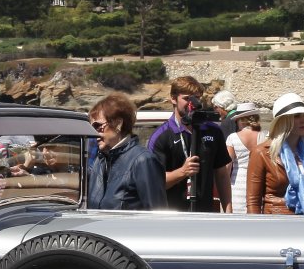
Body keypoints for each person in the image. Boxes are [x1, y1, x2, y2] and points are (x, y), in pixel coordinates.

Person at [147, 76, 231, 212]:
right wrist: (182, 172)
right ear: (173, 99)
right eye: (187, 98)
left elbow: (221, 175)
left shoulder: (213, 131)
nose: (192, 103)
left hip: (204, 214)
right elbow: (153, 182)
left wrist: (228, 210)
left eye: (196, 98)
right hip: (172, 215)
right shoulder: (161, 136)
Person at [246, 93, 304, 216]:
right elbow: (253, 201)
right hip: (276, 222)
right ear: (284, 121)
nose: (303, 120)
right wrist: (255, 226)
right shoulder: (261, 153)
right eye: (296, 116)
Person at [87, 94, 165, 210]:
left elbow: (157, 211)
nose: (94, 133)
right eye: (92, 128)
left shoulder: (143, 160)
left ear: (118, 124)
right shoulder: (100, 161)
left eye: (98, 126)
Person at [225, 102, 262, 215]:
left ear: (241, 120)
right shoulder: (265, 136)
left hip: (238, 185)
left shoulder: (233, 138)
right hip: (258, 184)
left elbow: (227, 166)